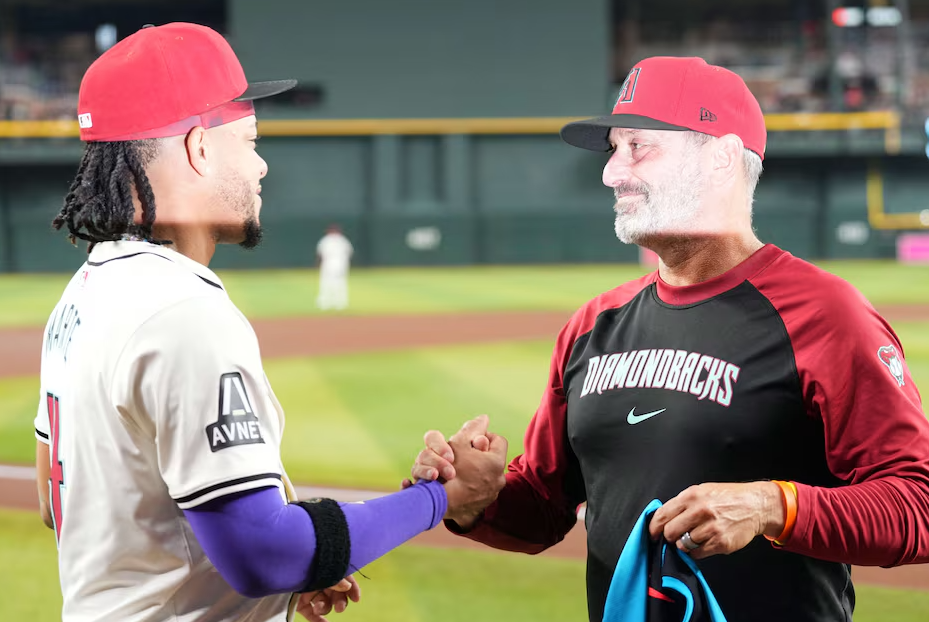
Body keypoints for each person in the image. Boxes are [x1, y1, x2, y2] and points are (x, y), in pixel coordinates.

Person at [405, 56, 929, 622]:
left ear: (722, 157)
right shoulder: (593, 325)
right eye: (613, 150)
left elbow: (917, 505)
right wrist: (479, 501)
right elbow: (544, 508)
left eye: (638, 146)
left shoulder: (824, 314)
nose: (612, 173)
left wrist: (771, 506)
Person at [34, 22, 504, 622]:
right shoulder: (182, 311)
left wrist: (299, 564)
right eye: (250, 139)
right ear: (199, 148)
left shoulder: (80, 297)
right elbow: (264, 553)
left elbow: (58, 499)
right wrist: (443, 499)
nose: (260, 166)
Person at [315, 224, 353, 311]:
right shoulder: (343, 240)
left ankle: (325, 303)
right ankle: (341, 303)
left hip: (328, 263)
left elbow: (320, 254)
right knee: (340, 283)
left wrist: (317, 264)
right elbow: (349, 253)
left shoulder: (326, 240)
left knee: (326, 282)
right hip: (341, 263)